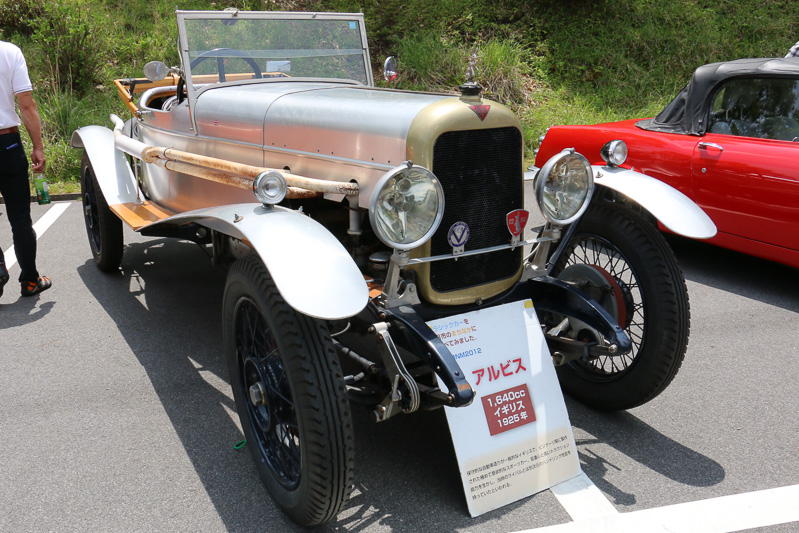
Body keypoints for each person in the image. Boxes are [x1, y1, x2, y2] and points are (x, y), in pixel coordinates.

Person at [0, 40, 51, 298]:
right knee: (20, 217)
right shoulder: (9, 52)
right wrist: (38, 146)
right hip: (6, 142)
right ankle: (30, 281)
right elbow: (27, 104)